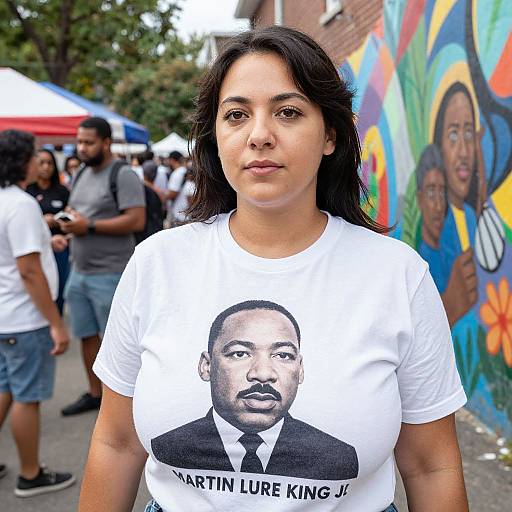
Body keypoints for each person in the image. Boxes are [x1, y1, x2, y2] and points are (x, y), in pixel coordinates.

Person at [79, 27, 468, 512]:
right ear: (215, 136)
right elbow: (116, 444)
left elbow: (431, 466)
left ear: (330, 134)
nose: (259, 135)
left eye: (288, 112)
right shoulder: (157, 264)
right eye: (237, 115)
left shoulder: (398, 275)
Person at [152, 300, 358, 480]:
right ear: (207, 366)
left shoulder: (338, 457)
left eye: (283, 355)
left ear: (300, 369)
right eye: (240, 353)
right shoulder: (167, 448)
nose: (262, 373)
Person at [0, 129, 75, 497]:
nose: (37, 160)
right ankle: (30, 473)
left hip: (4, 315)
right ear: (19, 160)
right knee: (26, 397)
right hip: (24, 317)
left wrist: (48, 240)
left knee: (4, 388)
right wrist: (56, 323)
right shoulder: (20, 204)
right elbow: (29, 270)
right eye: (32, 154)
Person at [59, 117, 145, 417]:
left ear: (106, 142)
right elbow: (78, 209)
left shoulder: (122, 174)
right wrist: (68, 220)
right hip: (79, 271)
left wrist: (90, 226)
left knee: (119, 342)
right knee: (87, 336)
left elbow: (136, 220)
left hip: (111, 273)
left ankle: (121, 405)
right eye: (79, 142)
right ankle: (95, 394)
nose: (82, 148)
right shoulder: (81, 172)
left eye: (88, 142)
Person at [433, 82, 483, 325]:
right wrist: (451, 304)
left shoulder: (474, 218)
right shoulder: (430, 229)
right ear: (439, 145)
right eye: (453, 134)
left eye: (468, 133)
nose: (463, 151)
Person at [26, 149, 71, 314]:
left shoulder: (62, 191)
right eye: (41, 163)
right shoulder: (27, 191)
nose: (46, 167)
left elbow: (71, 215)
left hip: (59, 246)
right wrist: (41, 222)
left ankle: (56, 319)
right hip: (33, 248)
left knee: (58, 290)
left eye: (49, 163)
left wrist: (60, 221)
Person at [165, 150, 188, 227]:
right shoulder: (184, 170)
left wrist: (163, 195)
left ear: (172, 160)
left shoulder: (177, 173)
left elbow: (172, 193)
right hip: (185, 211)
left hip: (178, 212)